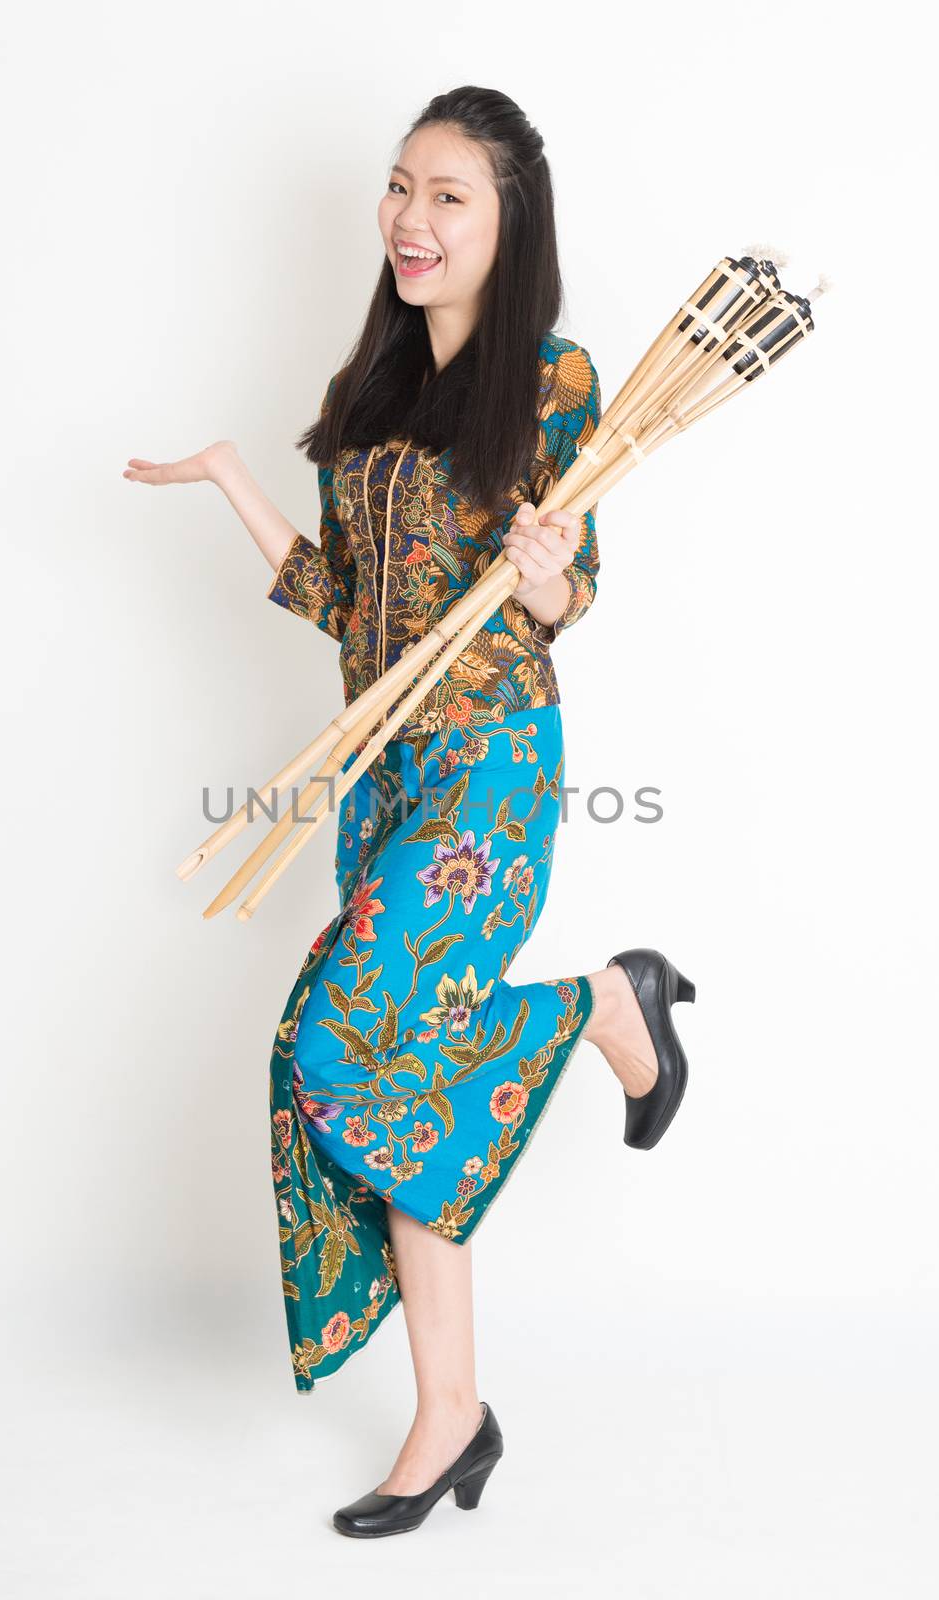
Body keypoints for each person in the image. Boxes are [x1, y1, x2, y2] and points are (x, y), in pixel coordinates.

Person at [124, 84, 696, 1539]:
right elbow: (344, 608)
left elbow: (571, 601)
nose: (411, 218)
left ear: (509, 222)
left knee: (339, 1038)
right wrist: (239, 485)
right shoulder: (371, 404)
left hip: (490, 770)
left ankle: (602, 1007)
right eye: (401, 188)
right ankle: (453, 1415)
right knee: (386, 1077)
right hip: (379, 774)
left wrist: (551, 561)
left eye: (448, 194)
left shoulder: (563, 387)